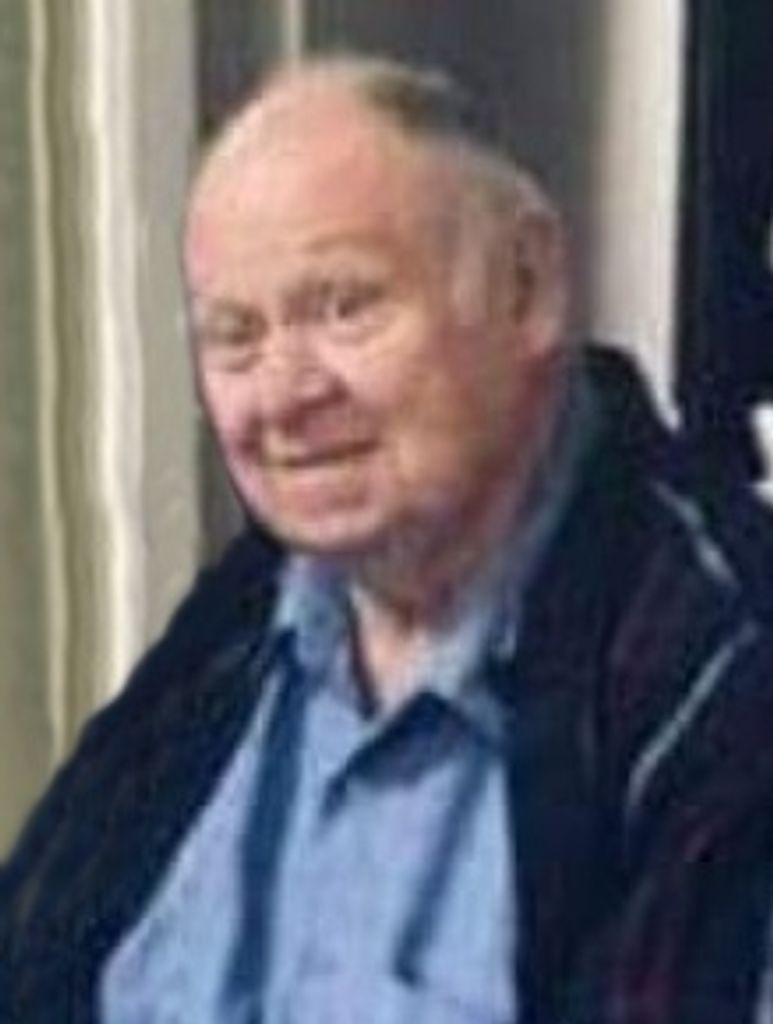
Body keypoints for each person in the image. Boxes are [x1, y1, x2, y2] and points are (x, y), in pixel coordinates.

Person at [2, 54, 773, 1024]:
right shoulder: (238, 625)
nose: (281, 396)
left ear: (526, 286)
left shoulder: (720, 679)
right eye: (234, 336)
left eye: (342, 306)